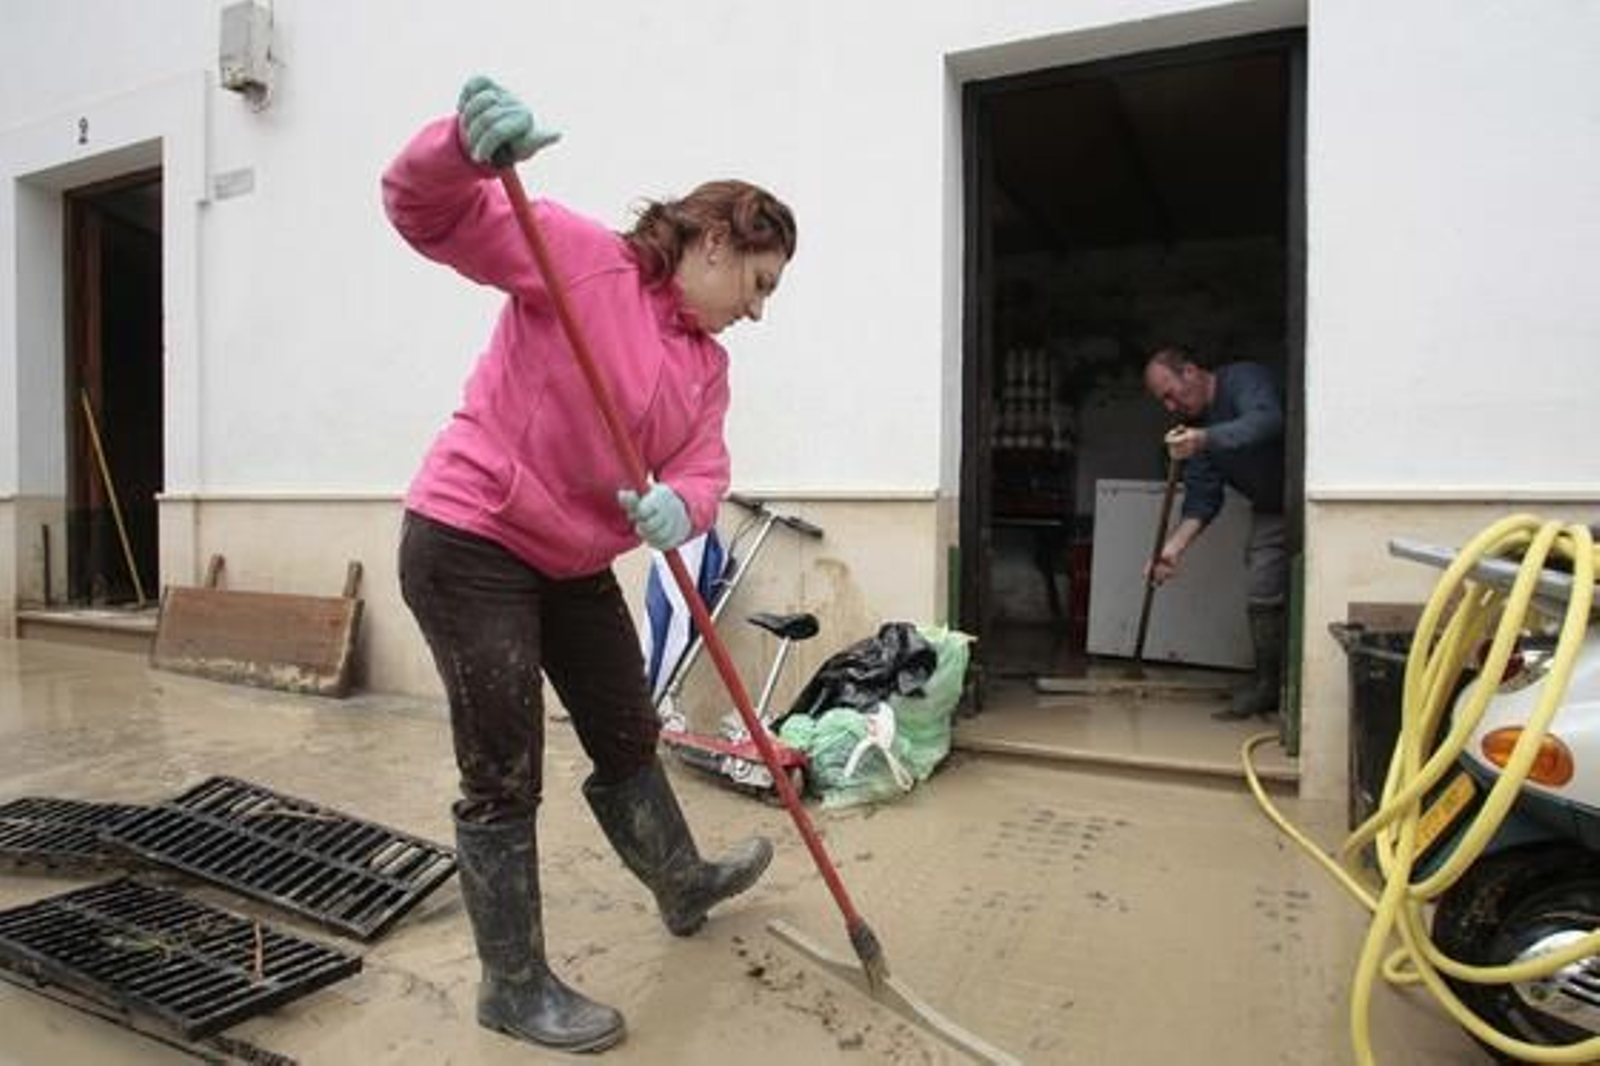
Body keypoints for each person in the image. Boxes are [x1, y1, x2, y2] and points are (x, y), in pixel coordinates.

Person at [385, 76, 797, 1053]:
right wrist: (457, 150)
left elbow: (703, 469)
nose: (760, 309)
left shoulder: (707, 366)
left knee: (626, 725)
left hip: (570, 560)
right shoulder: (580, 259)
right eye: (760, 282)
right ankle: (512, 985)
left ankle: (680, 878)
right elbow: (425, 212)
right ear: (711, 244)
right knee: (504, 764)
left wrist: (679, 506)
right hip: (472, 535)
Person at [1141, 345, 1287, 721]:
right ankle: (1268, 685)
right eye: (1164, 402)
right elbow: (1204, 499)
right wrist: (1171, 549)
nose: (1171, 407)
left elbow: (1268, 420)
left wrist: (1204, 438)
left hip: (1306, 499)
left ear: (1190, 371)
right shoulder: (1198, 431)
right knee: (1262, 588)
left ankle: (1293, 687)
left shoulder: (1244, 379)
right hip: (1272, 509)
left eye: (1171, 394)